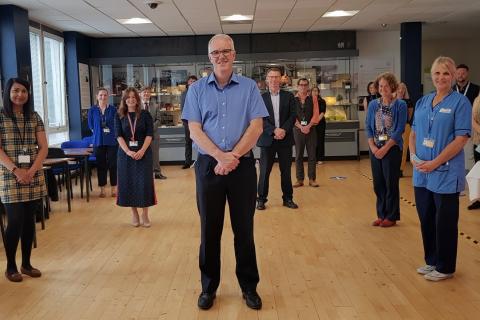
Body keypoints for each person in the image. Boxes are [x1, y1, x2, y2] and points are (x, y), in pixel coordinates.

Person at [182, 34, 268, 310]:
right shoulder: (196, 91)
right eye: (216, 52)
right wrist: (220, 156)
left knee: (244, 230)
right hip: (209, 166)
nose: (221, 56)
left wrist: (233, 156)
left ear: (234, 54)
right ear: (210, 57)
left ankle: (249, 287)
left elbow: (256, 127)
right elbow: (194, 129)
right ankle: (208, 288)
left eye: (226, 51)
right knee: (210, 230)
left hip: (241, 166)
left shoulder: (249, 88)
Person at [410, 56, 471, 281]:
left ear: (454, 76)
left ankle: (445, 267)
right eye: (437, 73)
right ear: (432, 76)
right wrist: (414, 157)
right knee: (426, 218)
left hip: (444, 172)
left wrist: (434, 163)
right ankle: (432, 261)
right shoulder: (423, 102)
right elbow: (414, 133)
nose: (441, 77)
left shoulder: (459, 103)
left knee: (444, 221)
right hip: (421, 172)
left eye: (446, 73)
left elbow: (461, 138)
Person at [0, 78, 47, 282]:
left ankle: (26, 264)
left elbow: (43, 147)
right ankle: (10, 266)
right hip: (10, 176)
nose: (20, 94)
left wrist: (31, 171)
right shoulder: (1, 116)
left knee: (29, 221)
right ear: (8, 92)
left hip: (33, 175)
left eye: (24, 91)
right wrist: (17, 170)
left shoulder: (34, 116)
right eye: (16, 90)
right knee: (15, 220)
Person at [365, 72, 407, 228]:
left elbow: (399, 130)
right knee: (378, 183)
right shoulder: (373, 105)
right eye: (380, 86)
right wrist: (373, 147)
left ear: (393, 87)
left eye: (386, 86)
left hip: (392, 148)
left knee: (391, 183)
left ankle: (391, 216)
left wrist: (385, 148)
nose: (383, 89)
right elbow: (368, 127)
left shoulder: (400, 105)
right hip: (375, 148)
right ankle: (381, 214)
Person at [256, 67, 298, 211]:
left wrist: (283, 130)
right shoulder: (260, 98)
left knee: (285, 171)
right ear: (266, 80)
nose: (274, 79)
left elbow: (293, 116)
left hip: (285, 139)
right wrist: (274, 130)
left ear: (281, 79)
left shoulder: (289, 96)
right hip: (267, 139)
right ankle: (261, 199)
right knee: (264, 171)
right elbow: (259, 118)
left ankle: (288, 199)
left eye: (276, 77)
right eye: (271, 77)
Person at [115, 87, 156, 227]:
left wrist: (142, 150)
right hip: (126, 155)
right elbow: (118, 136)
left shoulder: (145, 115)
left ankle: (145, 213)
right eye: (128, 97)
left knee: (144, 184)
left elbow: (150, 135)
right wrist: (127, 151)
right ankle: (134, 213)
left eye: (134, 97)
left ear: (137, 99)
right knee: (129, 183)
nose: (131, 100)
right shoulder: (119, 115)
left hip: (143, 154)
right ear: (124, 100)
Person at [87, 87, 118, 197]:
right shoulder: (92, 110)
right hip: (98, 141)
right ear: (97, 97)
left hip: (112, 141)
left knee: (113, 164)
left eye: (105, 95)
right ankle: (102, 189)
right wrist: (98, 133)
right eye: (100, 95)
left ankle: (114, 188)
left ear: (108, 96)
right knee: (101, 165)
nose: (103, 97)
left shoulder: (113, 110)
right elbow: (91, 126)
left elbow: (116, 124)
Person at [293, 78, 320, 188]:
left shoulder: (313, 98)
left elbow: (316, 114)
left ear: (308, 86)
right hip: (297, 130)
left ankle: (312, 179)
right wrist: (300, 126)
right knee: (298, 155)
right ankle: (299, 179)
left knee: (312, 155)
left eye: (305, 85)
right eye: (301, 85)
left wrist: (308, 126)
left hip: (311, 130)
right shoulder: (292, 99)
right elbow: (291, 115)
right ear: (297, 86)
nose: (303, 87)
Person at [140, 86, 166, 179]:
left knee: (155, 155)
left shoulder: (155, 105)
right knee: (142, 155)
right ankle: (144, 174)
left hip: (154, 134)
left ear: (150, 94)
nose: (146, 94)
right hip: (141, 135)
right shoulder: (137, 106)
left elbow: (159, 120)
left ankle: (157, 173)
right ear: (140, 94)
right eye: (144, 92)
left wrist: (150, 128)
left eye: (148, 92)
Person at [180, 75, 198, 169]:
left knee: (200, 142)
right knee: (188, 143)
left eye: (194, 81)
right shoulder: (183, 94)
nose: (192, 82)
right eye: (191, 81)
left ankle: (199, 161)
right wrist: (185, 122)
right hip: (187, 122)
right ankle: (187, 162)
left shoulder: (200, 92)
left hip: (199, 123)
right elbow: (182, 109)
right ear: (188, 83)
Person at [397, 82, 414, 177]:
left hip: (405, 126)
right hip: (393, 127)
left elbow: (409, 116)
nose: (401, 90)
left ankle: (400, 169)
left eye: (403, 88)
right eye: (399, 88)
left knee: (403, 149)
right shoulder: (392, 100)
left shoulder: (408, 101)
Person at [469, 96, 480, 210]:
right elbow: (472, 119)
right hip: (478, 142)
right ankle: (478, 199)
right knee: (477, 172)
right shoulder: (477, 99)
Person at [312, 86, 327, 164]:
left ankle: (320, 158)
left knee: (320, 141)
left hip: (320, 123)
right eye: (313, 91)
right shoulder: (309, 101)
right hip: (311, 124)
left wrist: (316, 121)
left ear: (319, 92)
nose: (315, 92)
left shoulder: (322, 101)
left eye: (316, 91)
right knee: (312, 142)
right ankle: (313, 158)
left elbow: (322, 112)